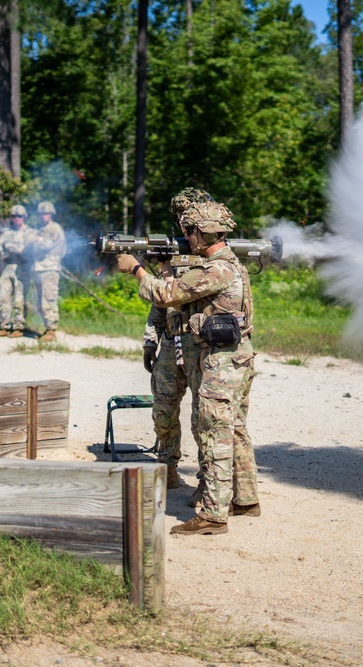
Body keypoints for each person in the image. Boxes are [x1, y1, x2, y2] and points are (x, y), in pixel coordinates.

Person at [117, 199, 260, 536]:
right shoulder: (225, 263)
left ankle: (213, 515)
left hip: (222, 363)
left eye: (189, 231)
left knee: (213, 431)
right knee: (233, 428)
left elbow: (165, 295)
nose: (187, 236)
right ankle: (245, 498)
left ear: (200, 233)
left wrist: (136, 268)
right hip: (233, 358)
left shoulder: (217, 269)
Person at [142, 188, 212, 494]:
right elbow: (160, 301)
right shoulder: (169, 250)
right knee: (163, 410)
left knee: (204, 417)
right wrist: (150, 340)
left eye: (190, 213)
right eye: (180, 214)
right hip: (171, 343)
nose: (184, 219)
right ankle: (167, 466)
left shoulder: (212, 255)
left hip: (201, 346)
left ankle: (207, 481)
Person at [0, 205, 35, 337]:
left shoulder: (30, 233)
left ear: (24, 217)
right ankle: (4, 325)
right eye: (14, 216)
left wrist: (11, 247)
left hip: (23, 267)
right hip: (9, 266)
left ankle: (18, 327)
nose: (17, 219)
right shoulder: (7, 233)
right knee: (3, 296)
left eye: (19, 216)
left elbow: (25, 249)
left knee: (19, 297)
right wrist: (3, 252)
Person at [30, 201, 66, 342]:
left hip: (50, 268)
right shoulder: (40, 229)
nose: (43, 216)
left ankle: (52, 330)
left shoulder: (55, 229)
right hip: (39, 268)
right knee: (39, 300)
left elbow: (45, 245)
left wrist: (35, 240)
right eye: (41, 214)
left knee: (48, 299)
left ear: (51, 214)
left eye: (46, 213)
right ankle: (47, 328)